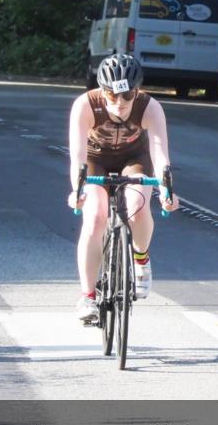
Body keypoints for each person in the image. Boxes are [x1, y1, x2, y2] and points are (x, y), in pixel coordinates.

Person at [67, 53, 179, 323]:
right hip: (95, 160)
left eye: (127, 96)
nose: (119, 103)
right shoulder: (85, 105)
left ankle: (141, 260)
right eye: (112, 95)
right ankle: (88, 296)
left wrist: (166, 190)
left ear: (137, 91)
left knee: (138, 208)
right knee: (94, 217)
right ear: (102, 91)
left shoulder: (150, 107)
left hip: (134, 159)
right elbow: (78, 157)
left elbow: (160, 153)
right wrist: (78, 191)